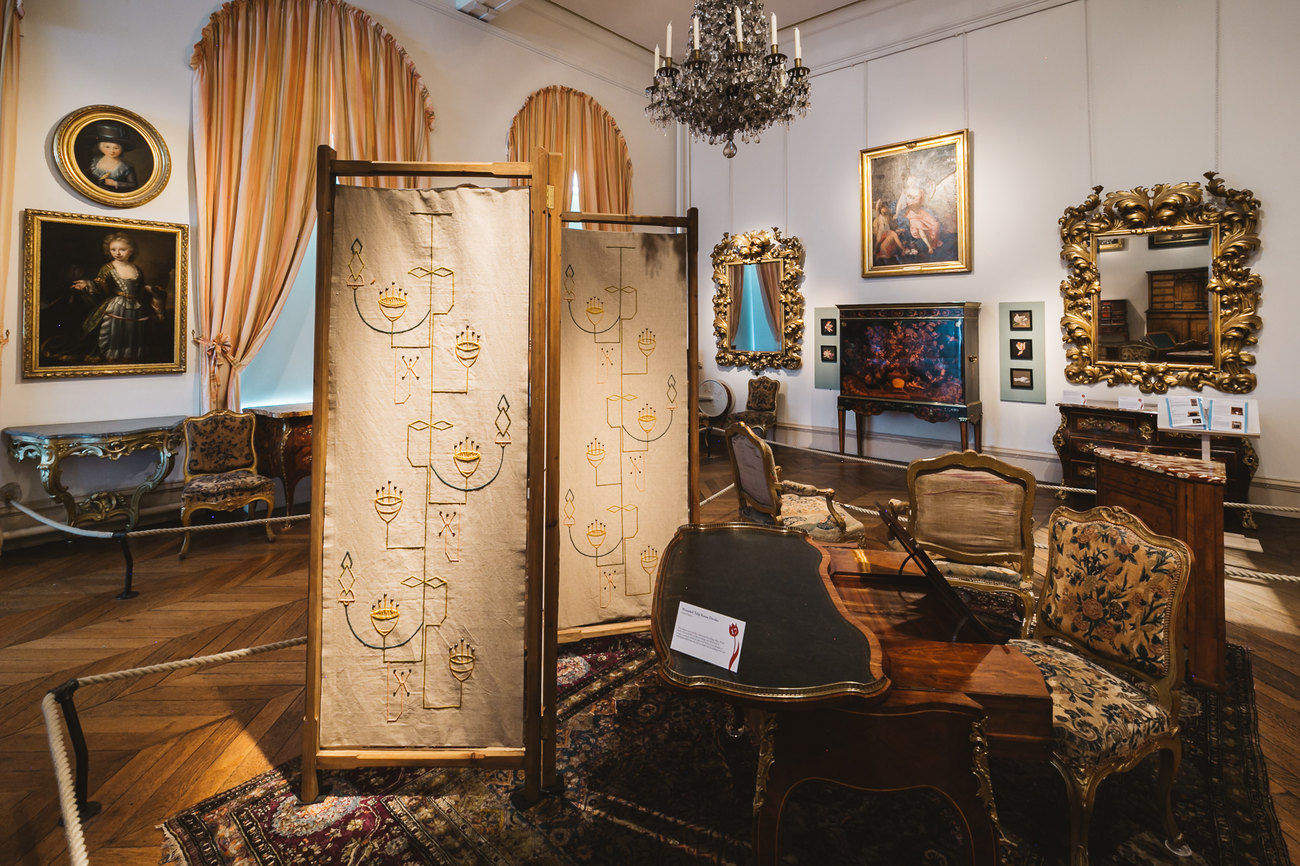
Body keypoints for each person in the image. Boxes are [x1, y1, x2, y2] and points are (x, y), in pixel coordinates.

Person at [72, 231, 163, 362]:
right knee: (116, 331)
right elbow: (98, 284)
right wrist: (87, 284)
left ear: (131, 251)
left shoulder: (136, 268)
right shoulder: (107, 268)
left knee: (132, 332)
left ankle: (130, 354)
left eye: (122, 249)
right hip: (116, 306)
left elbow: (140, 288)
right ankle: (112, 354)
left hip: (136, 307)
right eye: (113, 249)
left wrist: (150, 289)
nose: (117, 253)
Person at [83, 122, 138, 192]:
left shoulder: (126, 167)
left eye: (116, 148)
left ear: (121, 150)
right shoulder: (94, 161)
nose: (112, 151)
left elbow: (133, 184)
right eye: (107, 147)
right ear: (101, 148)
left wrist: (115, 183)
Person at [895, 174, 942, 254]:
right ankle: (929, 247)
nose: (912, 183)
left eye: (913, 181)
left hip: (920, 212)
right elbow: (899, 203)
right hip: (911, 213)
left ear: (916, 182)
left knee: (935, 224)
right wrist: (896, 213)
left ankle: (932, 243)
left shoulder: (920, 191)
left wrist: (933, 187)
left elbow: (928, 198)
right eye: (910, 181)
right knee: (919, 225)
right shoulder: (905, 192)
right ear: (907, 182)